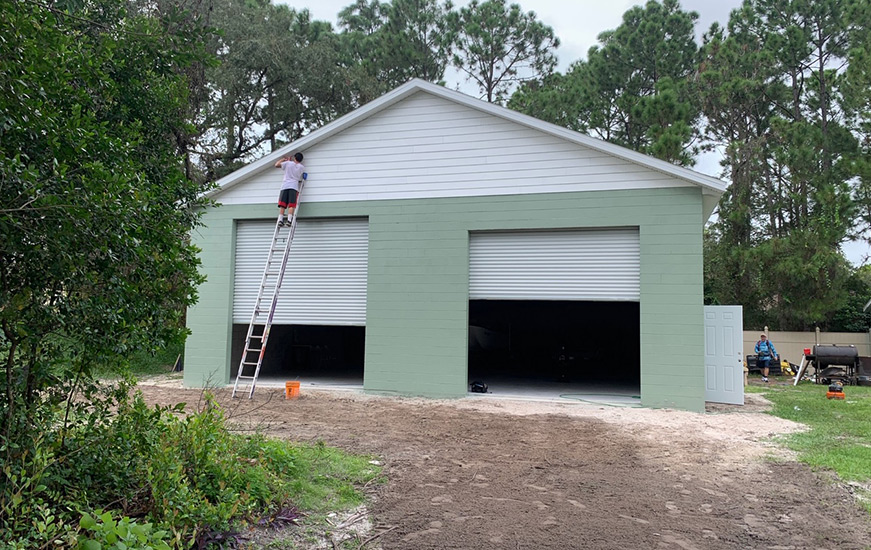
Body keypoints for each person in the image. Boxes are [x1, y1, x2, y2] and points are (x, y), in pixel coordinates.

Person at [274, 152, 305, 226]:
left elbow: (276, 165)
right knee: (291, 205)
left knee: (283, 204)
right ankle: (289, 220)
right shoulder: (302, 167)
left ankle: (280, 220)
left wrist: (284, 159)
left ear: (294, 158)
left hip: (285, 186)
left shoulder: (288, 163)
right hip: (294, 187)